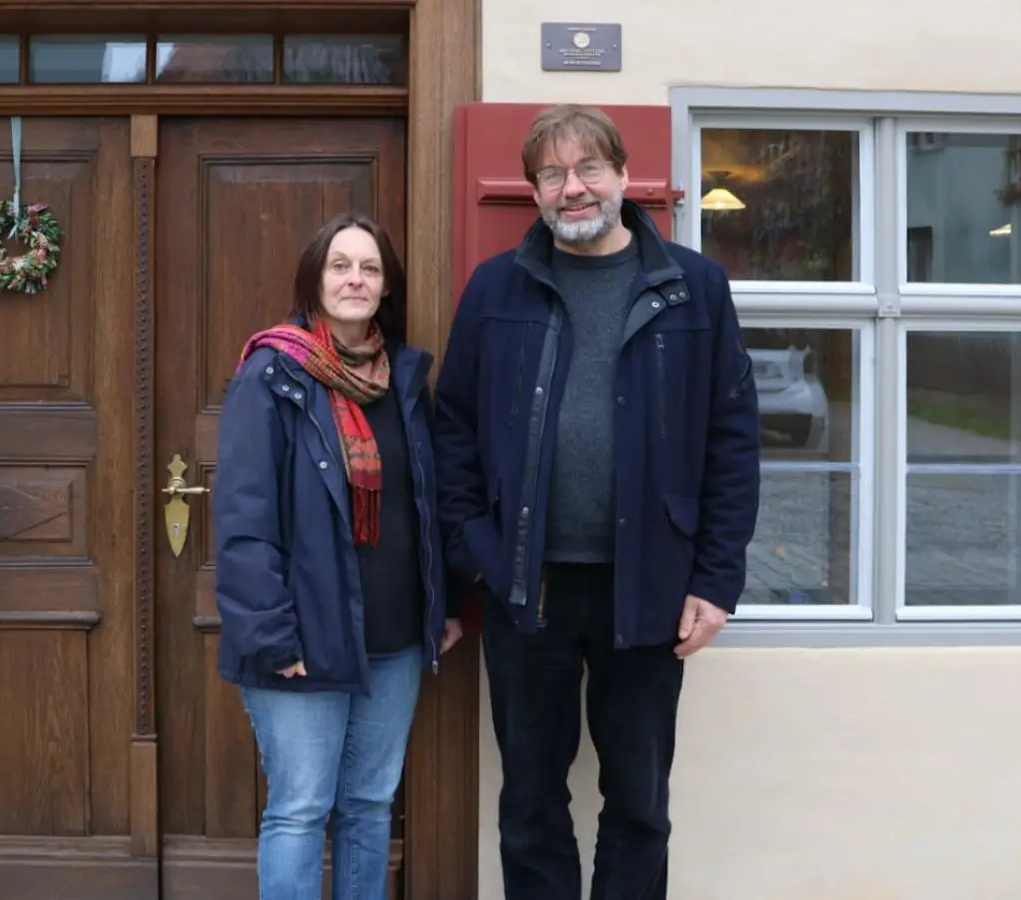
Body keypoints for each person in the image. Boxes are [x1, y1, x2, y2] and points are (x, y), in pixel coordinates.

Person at [433, 104, 761, 899]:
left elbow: (731, 442)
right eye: (552, 174)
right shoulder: (494, 288)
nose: (571, 189)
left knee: (640, 804)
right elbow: (453, 432)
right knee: (531, 803)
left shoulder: (694, 287)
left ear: (622, 176)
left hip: (649, 587)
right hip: (526, 590)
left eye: (587, 170)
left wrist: (714, 582)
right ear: (534, 191)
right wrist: (479, 557)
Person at [213, 211, 465, 900]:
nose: (356, 279)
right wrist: (269, 635)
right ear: (314, 280)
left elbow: (428, 503)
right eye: (340, 265)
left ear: (387, 287)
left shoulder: (405, 380)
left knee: (369, 806)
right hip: (303, 638)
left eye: (370, 267)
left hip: (393, 638)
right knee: (300, 809)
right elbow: (242, 519)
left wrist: (438, 606)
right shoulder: (273, 375)